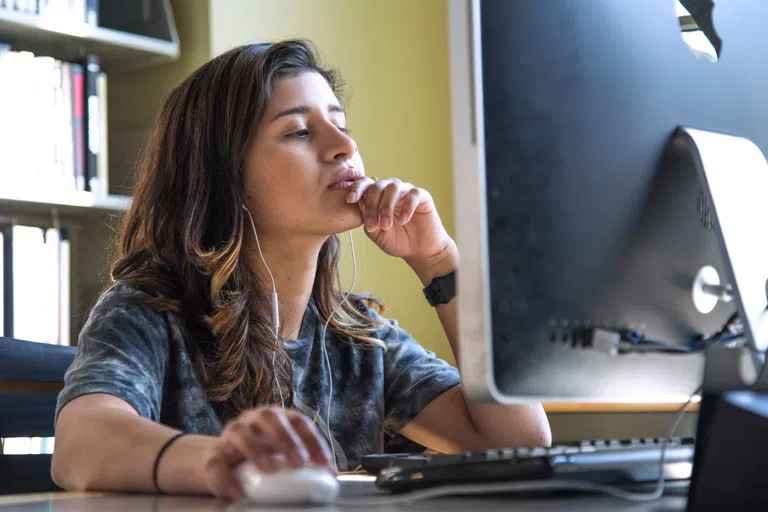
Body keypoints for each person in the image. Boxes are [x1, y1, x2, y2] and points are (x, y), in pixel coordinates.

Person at [51, 40, 551, 500]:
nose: (343, 146)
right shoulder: (147, 310)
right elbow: (82, 445)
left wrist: (440, 262)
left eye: (342, 125)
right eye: (298, 131)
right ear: (222, 174)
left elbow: (520, 443)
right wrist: (227, 462)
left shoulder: (360, 342)